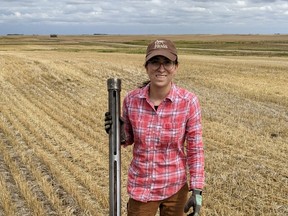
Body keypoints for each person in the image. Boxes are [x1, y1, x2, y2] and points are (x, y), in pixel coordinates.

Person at [105, 39, 205, 216]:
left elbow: (195, 148)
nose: (161, 68)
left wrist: (197, 189)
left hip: (175, 186)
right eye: (154, 62)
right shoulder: (131, 100)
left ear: (175, 66)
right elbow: (127, 139)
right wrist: (116, 130)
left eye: (167, 62)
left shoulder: (189, 102)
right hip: (142, 187)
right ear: (146, 66)